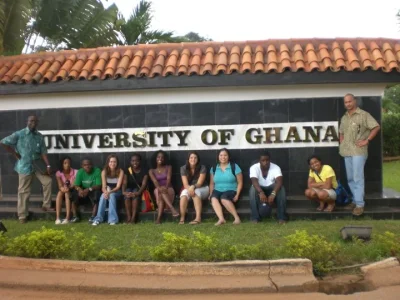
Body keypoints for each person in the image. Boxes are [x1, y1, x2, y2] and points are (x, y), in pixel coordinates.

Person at [0, 115, 53, 224]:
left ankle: (46, 205)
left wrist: (48, 165)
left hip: (38, 165)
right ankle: (22, 216)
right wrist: (14, 153)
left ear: (37, 123)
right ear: (27, 122)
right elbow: (4, 142)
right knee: (24, 191)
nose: (33, 122)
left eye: (35, 121)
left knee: (48, 182)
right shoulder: (20, 134)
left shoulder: (39, 136)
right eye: (31, 120)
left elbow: (43, 152)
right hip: (24, 166)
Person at [339, 93, 380, 216]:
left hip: (358, 151)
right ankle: (355, 200)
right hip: (347, 151)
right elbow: (341, 132)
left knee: (358, 178)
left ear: (355, 101)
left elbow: (376, 127)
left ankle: (360, 205)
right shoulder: (344, 117)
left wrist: (367, 140)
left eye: (350, 101)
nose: (348, 104)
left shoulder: (363, 115)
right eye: (346, 102)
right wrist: (342, 142)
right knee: (351, 178)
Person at [249, 151, 288, 224]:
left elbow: (279, 181)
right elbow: (254, 181)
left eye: (267, 160)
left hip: (271, 188)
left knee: (281, 188)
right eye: (263, 160)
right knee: (252, 189)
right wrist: (261, 192)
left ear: (270, 160)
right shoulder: (254, 167)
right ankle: (255, 217)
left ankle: (282, 217)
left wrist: (273, 193)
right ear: (259, 161)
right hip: (259, 188)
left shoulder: (276, 167)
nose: (265, 162)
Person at [209, 148, 243, 226]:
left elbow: (240, 182)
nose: (223, 157)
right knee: (213, 198)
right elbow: (211, 183)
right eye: (221, 155)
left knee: (224, 198)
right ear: (218, 157)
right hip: (217, 189)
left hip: (231, 189)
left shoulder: (234, 166)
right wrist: (210, 194)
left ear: (228, 157)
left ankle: (237, 218)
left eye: (225, 155)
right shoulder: (214, 168)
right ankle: (221, 219)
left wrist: (237, 194)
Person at [92, 154, 124, 226]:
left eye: (114, 162)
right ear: (108, 162)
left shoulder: (120, 171)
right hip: (107, 191)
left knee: (112, 195)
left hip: (117, 191)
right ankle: (98, 219)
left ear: (117, 163)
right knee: (103, 195)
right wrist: (106, 192)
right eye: (111, 161)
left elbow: (118, 187)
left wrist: (109, 192)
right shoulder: (104, 171)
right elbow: (103, 187)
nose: (112, 163)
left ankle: (113, 220)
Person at [179, 151, 209, 225]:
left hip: (203, 188)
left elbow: (200, 183)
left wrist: (193, 187)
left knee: (196, 192)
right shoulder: (183, 168)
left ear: (198, 159)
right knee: (183, 194)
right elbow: (185, 184)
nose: (193, 159)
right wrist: (190, 189)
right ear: (188, 159)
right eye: (191, 157)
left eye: (195, 158)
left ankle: (198, 218)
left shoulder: (202, 167)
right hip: (189, 188)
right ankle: (182, 218)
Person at [149, 150, 178, 224]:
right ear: (155, 158)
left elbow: (168, 178)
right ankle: (172, 209)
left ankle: (158, 219)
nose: (160, 158)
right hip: (158, 189)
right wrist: (160, 188)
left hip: (168, 188)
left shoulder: (168, 167)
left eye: (162, 157)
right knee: (160, 192)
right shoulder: (151, 171)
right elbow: (155, 181)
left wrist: (166, 187)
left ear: (165, 159)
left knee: (161, 193)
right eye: (158, 157)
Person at [122, 153, 149, 224]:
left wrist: (138, 193)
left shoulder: (144, 170)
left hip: (139, 189)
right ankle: (129, 217)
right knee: (127, 196)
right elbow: (124, 182)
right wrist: (124, 192)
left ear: (140, 161)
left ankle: (133, 218)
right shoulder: (128, 170)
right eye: (133, 161)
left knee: (135, 197)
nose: (135, 162)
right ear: (130, 162)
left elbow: (144, 184)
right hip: (129, 188)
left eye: (137, 160)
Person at [74, 158, 102, 223]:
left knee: (96, 195)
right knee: (73, 195)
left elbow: (98, 185)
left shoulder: (97, 171)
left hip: (93, 189)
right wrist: (80, 189)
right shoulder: (80, 171)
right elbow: (76, 185)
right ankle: (75, 216)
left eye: (89, 164)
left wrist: (89, 189)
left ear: (92, 165)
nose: (87, 166)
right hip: (83, 189)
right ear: (82, 166)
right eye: (85, 165)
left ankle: (93, 216)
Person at [55, 156, 78, 224]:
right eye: (65, 163)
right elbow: (60, 185)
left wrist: (68, 188)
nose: (67, 165)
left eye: (68, 163)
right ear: (62, 164)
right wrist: (63, 189)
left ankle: (67, 217)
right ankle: (58, 218)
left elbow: (73, 184)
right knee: (60, 193)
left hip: (73, 191)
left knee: (67, 193)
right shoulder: (58, 173)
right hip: (64, 190)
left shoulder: (76, 172)